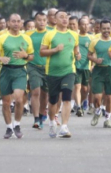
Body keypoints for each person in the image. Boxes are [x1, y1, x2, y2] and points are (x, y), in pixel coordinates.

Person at [0, 14, 34, 139]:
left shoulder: (26, 38)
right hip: (5, 72)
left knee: (19, 99)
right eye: (13, 21)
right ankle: (9, 127)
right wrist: (0, 58)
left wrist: (25, 55)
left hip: (20, 71)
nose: (16, 23)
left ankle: (17, 125)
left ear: (21, 23)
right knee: (6, 103)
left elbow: (31, 56)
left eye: (18, 21)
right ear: (8, 23)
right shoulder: (2, 38)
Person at [40, 10, 80, 138]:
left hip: (69, 70)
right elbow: (42, 52)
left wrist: (78, 55)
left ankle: (64, 126)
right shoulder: (49, 35)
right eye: (61, 17)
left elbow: (76, 50)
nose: (64, 19)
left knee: (67, 97)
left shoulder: (74, 35)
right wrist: (55, 49)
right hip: (52, 72)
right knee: (53, 100)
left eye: (66, 17)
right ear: (55, 20)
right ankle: (52, 122)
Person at [88, 19, 111, 128]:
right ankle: (97, 111)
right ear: (100, 29)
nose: (106, 31)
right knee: (97, 97)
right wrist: (95, 60)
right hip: (98, 70)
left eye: (108, 28)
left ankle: (107, 119)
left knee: (109, 97)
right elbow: (89, 55)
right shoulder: (95, 41)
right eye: (104, 28)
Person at [26, 12, 51, 129]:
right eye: (39, 20)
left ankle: (41, 116)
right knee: (35, 92)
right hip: (33, 66)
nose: (41, 22)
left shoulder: (51, 34)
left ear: (46, 22)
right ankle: (36, 118)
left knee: (45, 95)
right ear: (35, 21)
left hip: (47, 67)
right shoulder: (28, 34)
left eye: (44, 20)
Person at [73, 17, 92, 117]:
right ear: (79, 26)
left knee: (85, 89)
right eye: (83, 24)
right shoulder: (75, 36)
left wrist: (92, 65)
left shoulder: (91, 38)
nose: (85, 26)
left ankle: (82, 101)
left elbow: (94, 53)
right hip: (76, 66)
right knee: (77, 86)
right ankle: (79, 107)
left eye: (87, 24)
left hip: (86, 66)